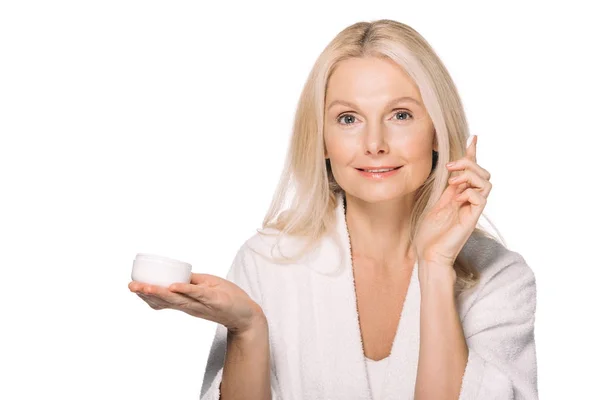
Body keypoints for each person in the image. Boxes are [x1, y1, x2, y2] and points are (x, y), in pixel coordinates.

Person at [128, 19, 538, 400]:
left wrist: (435, 266)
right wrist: (249, 328)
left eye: (400, 114)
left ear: (437, 130)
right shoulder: (267, 262)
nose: (374, 143)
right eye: (348, 118)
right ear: (321, 139)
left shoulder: (500, 279)